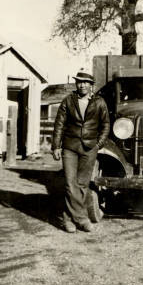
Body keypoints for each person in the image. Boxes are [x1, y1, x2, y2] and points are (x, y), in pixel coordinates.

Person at [52, 69, 110, 233]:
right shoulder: (68, 101)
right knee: (71, 184)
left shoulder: (99, 102)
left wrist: (99, 144)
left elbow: (106, 125)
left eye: (86, 82)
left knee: (83, 185)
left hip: (90, 148)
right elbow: (59, 125)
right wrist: (56, 146)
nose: (82, 85)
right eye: (79, 82)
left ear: (92, 85)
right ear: (76, 84)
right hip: (70, 147)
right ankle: (82, 219)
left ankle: (68, 218)